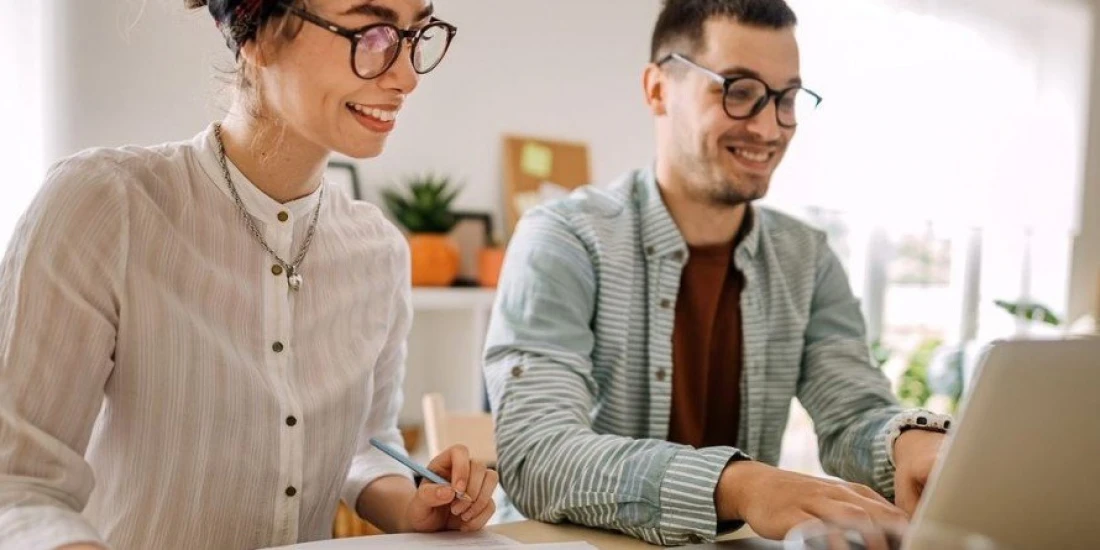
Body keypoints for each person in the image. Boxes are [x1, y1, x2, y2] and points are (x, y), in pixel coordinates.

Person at [0, 1, 498, 549]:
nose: (405, 76)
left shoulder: (377, 250)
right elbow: (17, 485)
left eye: (415, 35)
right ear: (257, 37)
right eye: (373, 32)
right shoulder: (105, 205)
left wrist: (413, 505)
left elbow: (364, 444)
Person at [483, 0, 951, 545]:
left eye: (787, 98)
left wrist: (911, 445)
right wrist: (739, 485)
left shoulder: (807, 257)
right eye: (739, 89)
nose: (769, 126)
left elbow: (854, 413)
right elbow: (538, 452)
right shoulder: (563, 239)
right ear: (657, 89)